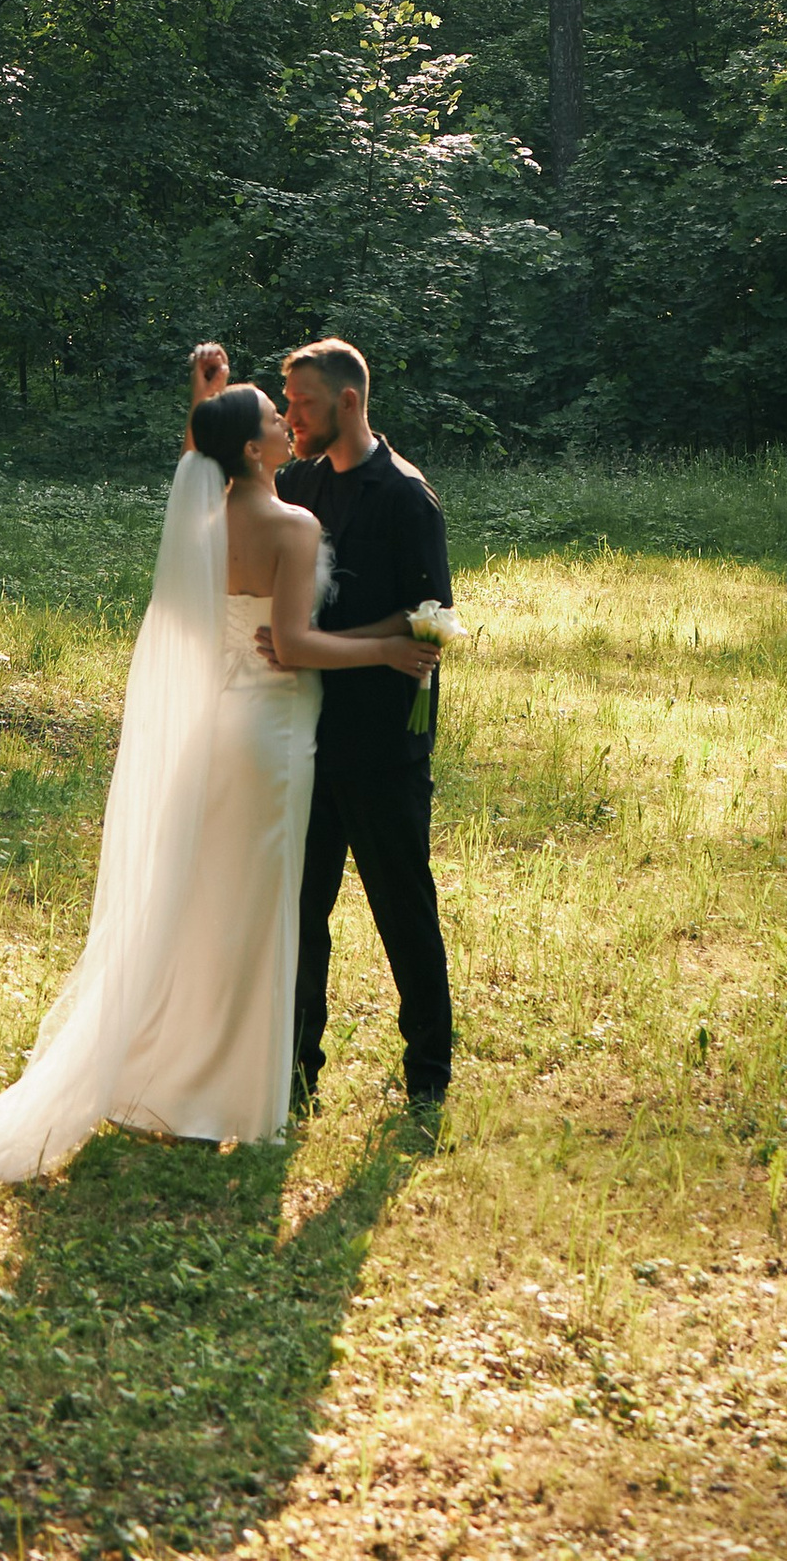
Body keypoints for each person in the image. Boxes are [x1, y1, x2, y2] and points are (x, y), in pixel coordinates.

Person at [0, 370, 435, 1184]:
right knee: (253, 913)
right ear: (251, 447)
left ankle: (165, 1076)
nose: (286, 422)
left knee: (198, 899)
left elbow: (198, 459)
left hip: (216, 723)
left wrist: (201, 401)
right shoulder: (295, 522)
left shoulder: (205, 512)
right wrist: (385, 649)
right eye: (275, 416)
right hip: (271, 732)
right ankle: (226, 1096)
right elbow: (296, 646)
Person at [201, 335, 457, 1114]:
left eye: (304, 404)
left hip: (382, 742)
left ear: (347, 401)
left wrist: (318, 648)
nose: (296, 418)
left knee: (401, 907)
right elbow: (214, 462)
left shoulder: (407, 496)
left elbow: (429, 620)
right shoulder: (303, 480)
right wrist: (205, 395)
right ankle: (298, 1067)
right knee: (302, 913)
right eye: (289, 409)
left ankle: (428, 1073)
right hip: (302, 735)